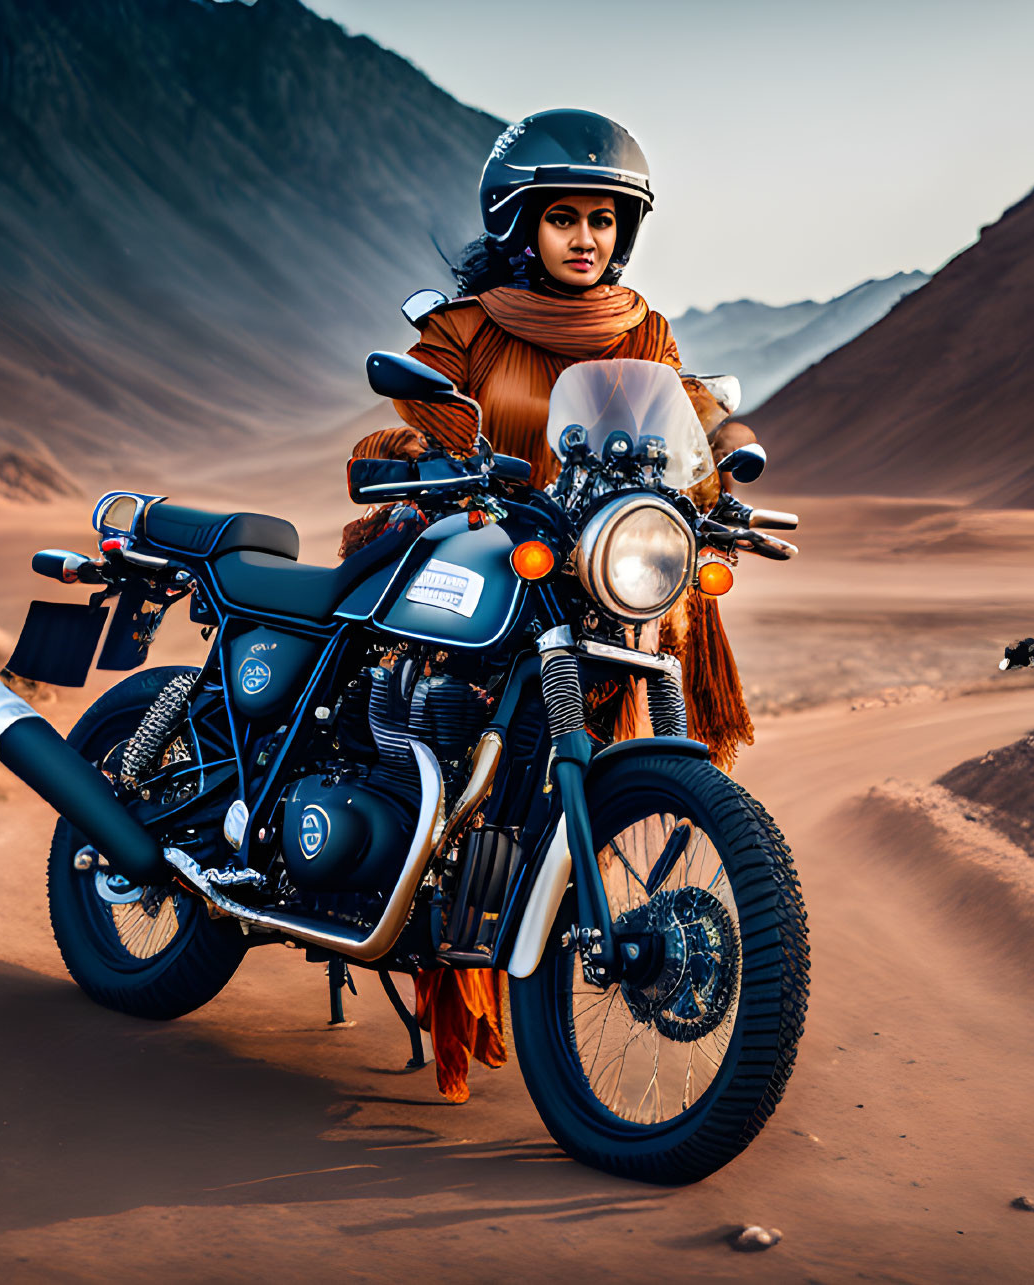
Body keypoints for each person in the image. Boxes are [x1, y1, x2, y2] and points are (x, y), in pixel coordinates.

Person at [340, 110, 760, 1102]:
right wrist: (436, 465)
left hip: (594, 577)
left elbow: (679, 416)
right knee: (444, 740)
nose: (587, 238)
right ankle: (406, 865)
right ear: (519, 222)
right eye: (564, 217)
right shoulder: (467, 327)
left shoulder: (640, 327)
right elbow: (422, 409)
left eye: (605, 220)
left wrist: (717, 481)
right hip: (495, 552)